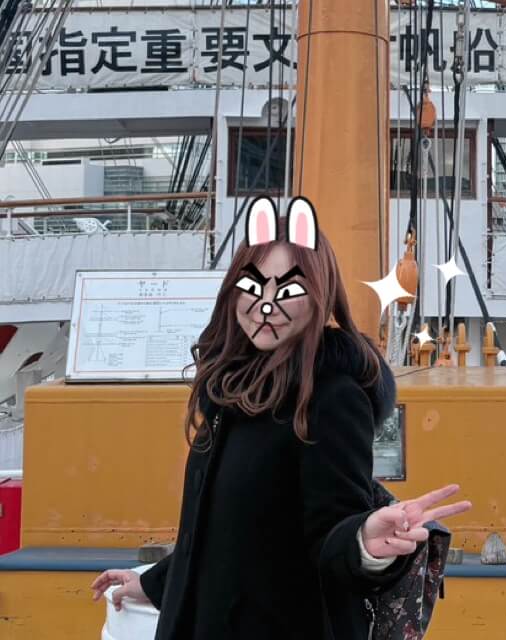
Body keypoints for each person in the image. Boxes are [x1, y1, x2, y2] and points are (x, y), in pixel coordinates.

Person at [91, 196, 472, 639]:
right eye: (253, 286)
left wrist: (364, 543)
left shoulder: (330, 396)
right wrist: (155, 584)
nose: (266, 304)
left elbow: (331, 531)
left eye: (288, 290)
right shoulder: (233, 388)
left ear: (319, 298)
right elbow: (225, 531)